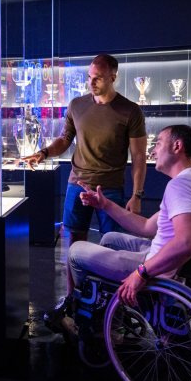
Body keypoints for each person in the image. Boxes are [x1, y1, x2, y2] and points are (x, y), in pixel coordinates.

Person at [22, 54, 147, 291]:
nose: (91, 82)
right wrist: (43, 153)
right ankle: (73, 297)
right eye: (89, 77)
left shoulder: (130, 111)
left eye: (98, 78)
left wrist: (137, 195)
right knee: (73, 241)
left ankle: (111, 301)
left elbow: (139, 156)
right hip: (77, 183)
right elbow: (65, 139)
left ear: (113, 77)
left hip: (110, 187)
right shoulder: (77, 105)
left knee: (112, 245)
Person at [66, 124, 191, 311]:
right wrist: (105, 204)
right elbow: (147, 226)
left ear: (177, 146)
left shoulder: (181, 186)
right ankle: (110, 303)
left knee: (75, 251)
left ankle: (88, 310)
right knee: (109, 238)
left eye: (158, 143)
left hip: (161, 269)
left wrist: (141, 273)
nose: (153, 151)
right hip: (174, 262)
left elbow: (187, 243)